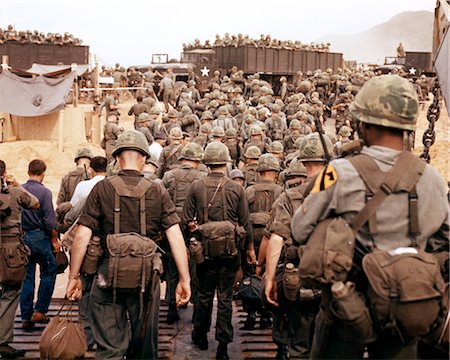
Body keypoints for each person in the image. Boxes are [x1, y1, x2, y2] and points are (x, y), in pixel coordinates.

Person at [291, 75, 449, 359]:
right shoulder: (433, 179)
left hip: (349, 307)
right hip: (408, 305)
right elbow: (444, 239)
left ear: (361, 124)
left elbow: (300, 229)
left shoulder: (336, 172)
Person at [66, 131, 191, 359]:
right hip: (146, 277)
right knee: (145, 346)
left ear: (116, 159)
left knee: (109, 349)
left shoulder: (101, 189)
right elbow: (175, 236)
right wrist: (184, 279)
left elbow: (83, 235)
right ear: (144, 158)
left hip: (107, 274)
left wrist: (73, 276)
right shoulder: (158, 190)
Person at [182, 142, 255, 360]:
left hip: (204, 252)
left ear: (206, 162)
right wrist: (249, 248)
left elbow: (185, 219)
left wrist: (193, 236)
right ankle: (223, 345)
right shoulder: (237, 188)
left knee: (203, 295)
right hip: (230, 252)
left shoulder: (196, 186)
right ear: (225, 162)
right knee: (225, 297)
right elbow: (245, 222)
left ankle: (200, 334)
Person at [264, 133, 333, 359]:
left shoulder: (289, 197)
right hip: (336, 277)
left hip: (298, 276)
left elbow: (276, 238)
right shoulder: (346, 193)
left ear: (303, 164)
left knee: (300, 344)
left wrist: (270, 278)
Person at [161, 143, 206, 324]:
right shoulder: (202, 177)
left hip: (172, 225)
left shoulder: (168, 176)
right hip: (194, 225)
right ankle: (195, 309)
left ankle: (172, 306)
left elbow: (161, 200)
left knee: (173, 266)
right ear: (197, 160)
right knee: (196, 266)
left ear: (181, 160)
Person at [0, 160, 39, 359]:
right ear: (4, 173)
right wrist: (14, 184)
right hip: (11, 252)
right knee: (10, 294)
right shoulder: (14, 193)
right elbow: (35, 203)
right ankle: (3, 344)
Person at [20, 160, 58, 331]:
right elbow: (50, 221)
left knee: (27, 277)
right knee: (49, 271)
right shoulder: (45, 192)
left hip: (22, 238)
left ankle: (26, 317)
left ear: (28, 172)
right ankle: (40, 310)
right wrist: (55, 240)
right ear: (43, 173)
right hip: (40, 237)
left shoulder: (18, 190)